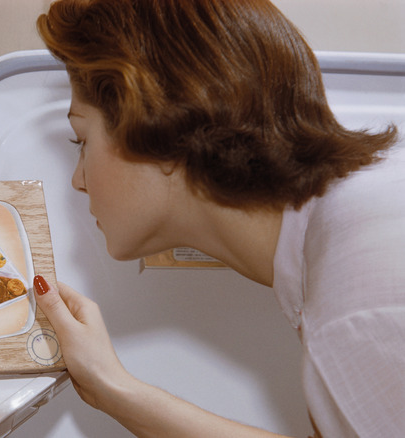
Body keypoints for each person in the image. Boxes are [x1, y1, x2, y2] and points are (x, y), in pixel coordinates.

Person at [30, 1, 405, 437]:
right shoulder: (352, 226)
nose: (78, 180)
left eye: (82, 139)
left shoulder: (357, 304)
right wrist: (112, 388)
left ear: (151, 121)